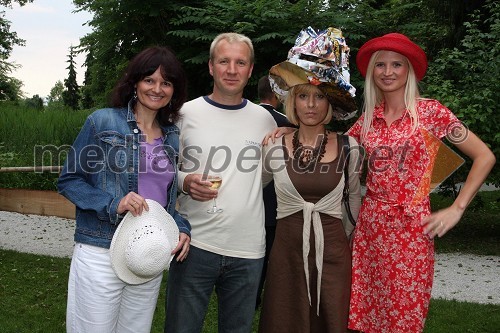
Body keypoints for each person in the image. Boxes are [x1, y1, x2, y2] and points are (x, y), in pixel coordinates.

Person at [346, 33, 496, 332]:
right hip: (370, 230)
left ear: (409, 70)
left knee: (404, 318)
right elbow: (332, 150)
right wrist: (287, 131)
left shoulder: (431, 112)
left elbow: (484, 156)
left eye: (396, 64)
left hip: (412, 230)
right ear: (371, 72)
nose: (388, 72)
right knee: (367, 316)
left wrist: (457, 208)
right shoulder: (367, 119)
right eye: (380, 65)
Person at [57, 46, 191, 333]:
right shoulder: (102, 121)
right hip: (101, 250)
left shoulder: (172, 136)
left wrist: (181, 228)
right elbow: (69, 179)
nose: (157, 89)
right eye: (149, 80)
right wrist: (113, 203)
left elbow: (164, 201)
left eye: (166, 82)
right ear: (134, 82)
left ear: (174, 90)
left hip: (147, 255)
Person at [164, 33, 277, 333]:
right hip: (194, 245)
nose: (231, 69)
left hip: (249, 250)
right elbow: (159, 169)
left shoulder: (265, 120)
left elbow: (265, 176)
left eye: (240, 62)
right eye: (224, 61)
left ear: (251, 70)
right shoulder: (185, 114)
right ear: (212, 66)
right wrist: (184, 181)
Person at [259, 27, 362, 333]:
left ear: (329, 104)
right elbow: (252, 191)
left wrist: (341, 236)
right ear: (293, 102)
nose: (311, 104)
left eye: (319, 97)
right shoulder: (274, 147)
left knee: (330, 321)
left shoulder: (350, 147)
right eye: (303, 96)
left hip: (332, 254)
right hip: (286, 254)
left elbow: (354, 200)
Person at [255, 75, 295, 309]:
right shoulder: (287, 124)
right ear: (278, 95)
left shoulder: (249, 117)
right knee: (269, 250)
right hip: (273, 198)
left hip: (251, 194)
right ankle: (260, 293)